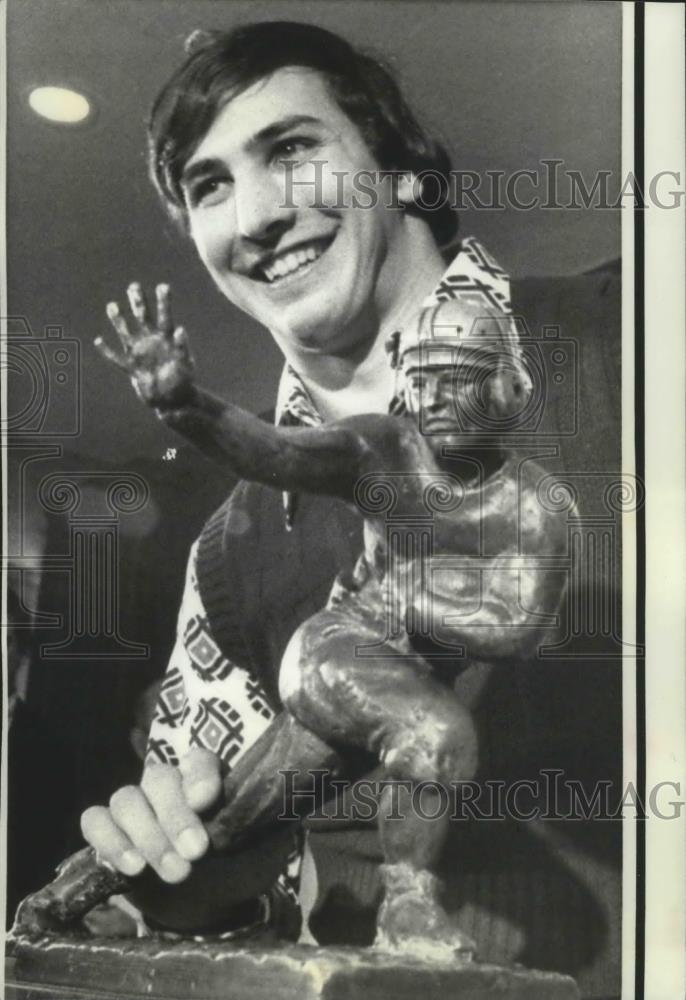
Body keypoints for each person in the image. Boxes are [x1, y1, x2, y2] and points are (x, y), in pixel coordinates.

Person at [76, 24, 621, 977]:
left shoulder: (636, 334)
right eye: (208, 185)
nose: (253, 218)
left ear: (400, 165)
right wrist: (166, 874)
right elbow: (235, 854)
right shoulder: (218, 533)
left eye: (291, 150)